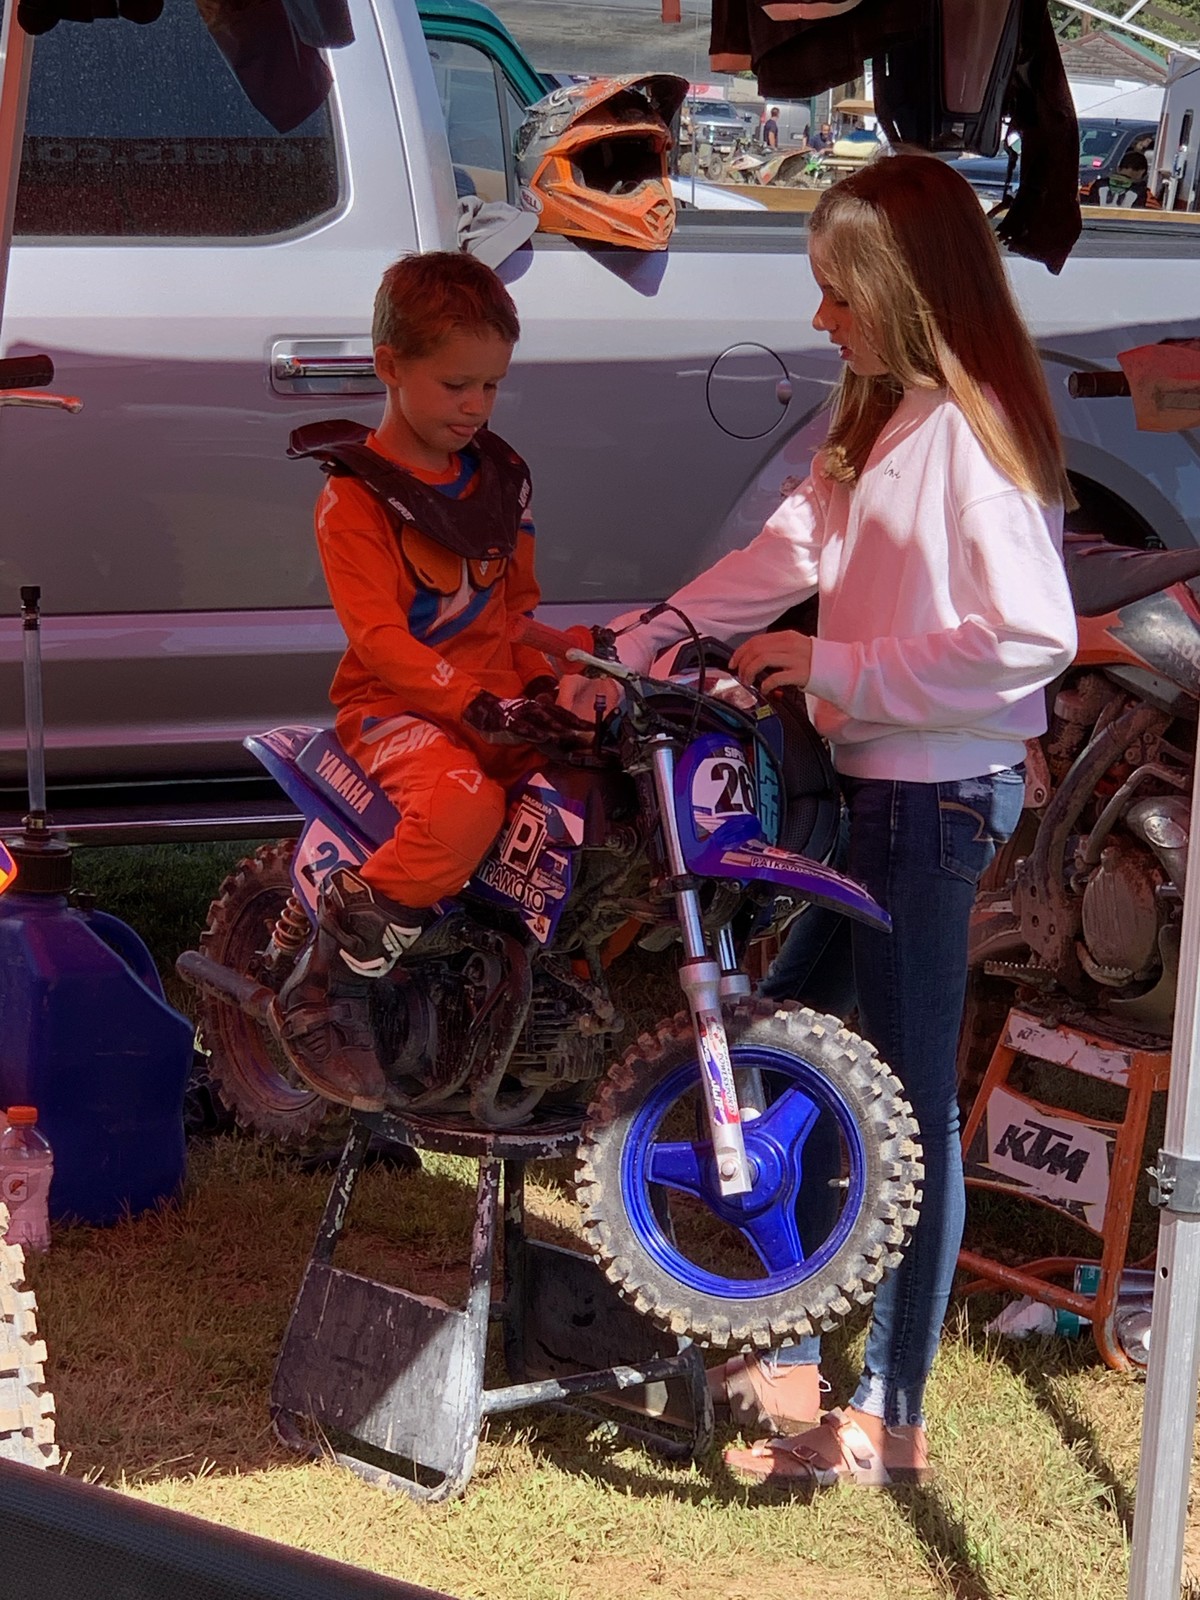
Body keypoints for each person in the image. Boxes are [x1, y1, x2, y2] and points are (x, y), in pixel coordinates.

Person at [564, 152, 1077, 1486]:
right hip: (880, 793)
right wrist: (652, 632)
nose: (820, 319)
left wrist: (837, 670)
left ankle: (889, 1424)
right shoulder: (884, 423)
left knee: (901, 1110)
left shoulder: (970, 439)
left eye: (837, 293)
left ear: (902, 291)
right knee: (793, 1048)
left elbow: (1031, 637)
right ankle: (770, 1319)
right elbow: (784, 555)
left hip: (934, 799)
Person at [280, 251, 587, 1112]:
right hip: (394, 710)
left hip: (496, 709)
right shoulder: (356, 500)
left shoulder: (501, 482)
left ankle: (531, 1010)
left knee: (591, 803)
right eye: (456, 385)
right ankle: (326, 982)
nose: (476, 407)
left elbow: (514, 614)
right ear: (389, 367)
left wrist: (568, 662)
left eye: (491, 387)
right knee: (463, 808)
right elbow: (378, 643)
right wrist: (470, 700)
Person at [1085, 147, 1158, 208]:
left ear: (1118, 168)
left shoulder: (1092, 185)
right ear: (1143, 173)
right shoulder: (1145, 194)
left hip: (1093, 224)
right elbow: (1156, 215)